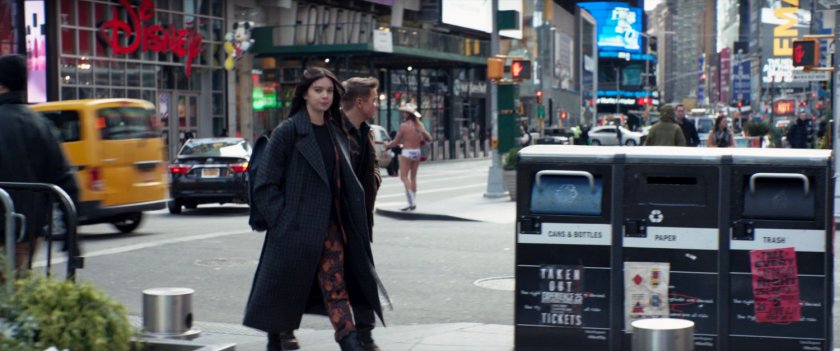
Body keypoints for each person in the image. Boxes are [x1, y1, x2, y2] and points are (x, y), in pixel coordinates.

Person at [243, 67, 385, 351]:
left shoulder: (335, 132)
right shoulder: (289, 131)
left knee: (336, 286)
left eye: (329, 91)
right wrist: (282, 219)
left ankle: (352, 341)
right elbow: (265, 182)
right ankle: (276, 339)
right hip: (293, 228)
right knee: (283, 291)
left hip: (330, 226)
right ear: (305, 94)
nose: (324, 96)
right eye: (318, 90)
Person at [0, 55, 78, 270]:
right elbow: (65, 178)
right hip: (28, 229)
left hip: (8, 225)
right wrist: (71, 233)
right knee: (18, 283)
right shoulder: (40, 123)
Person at [339, 76, 383, 351]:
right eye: (373, 100)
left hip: (358, 220)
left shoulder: (366, 131)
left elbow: (373, 165)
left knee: (362, 275)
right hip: (333, 220)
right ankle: (280, 332)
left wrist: (374, 180)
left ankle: (365, 335)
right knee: (306, 277)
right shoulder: (332, 130)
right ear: (359, 102)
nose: (376, 105)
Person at [386, 103, 431, 211]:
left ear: (408, 114)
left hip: (407, 152)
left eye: (405, 113)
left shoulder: (404, 126)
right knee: (413, 177)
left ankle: (411, 202)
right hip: (417, 152)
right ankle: (413, 200)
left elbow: (396, 141)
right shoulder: (419, 125)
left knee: (404, 177)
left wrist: (387, 145)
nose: (403, 114)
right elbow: (429, 138)